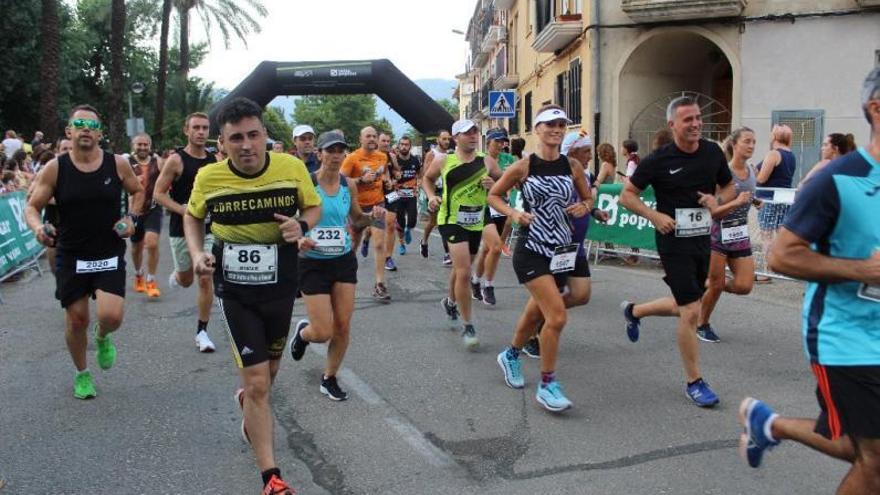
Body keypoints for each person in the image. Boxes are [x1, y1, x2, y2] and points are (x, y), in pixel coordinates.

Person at [738, 68, 880, 494]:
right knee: (874, 464)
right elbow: (781, 254)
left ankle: (770, 424)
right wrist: (863, 271)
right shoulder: (838, 178)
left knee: (850, 445)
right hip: (846, 336)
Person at [185, 97, 321, 495]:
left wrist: (301, 225)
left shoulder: (291, 168)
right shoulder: (209, 178)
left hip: (280, 285)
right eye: (236, 138)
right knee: (260, 383)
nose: (246, 145)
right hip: (236, 289)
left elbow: (312, 208)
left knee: (267, 377)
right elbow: (192, 216)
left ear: (265, 135)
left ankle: (250, 404)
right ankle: (271, 477)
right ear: (222, 143)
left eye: (253, 135)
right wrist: (197, 253)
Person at [618, 96, 737, 408]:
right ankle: (695, 381)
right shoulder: (658, 160)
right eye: (688, 120)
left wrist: (717, 202)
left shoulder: (712, 152)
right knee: (690, 312)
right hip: (673, 242)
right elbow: (627, 196)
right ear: (673, 126)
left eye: (698, 118)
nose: (696, 124)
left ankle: (635, 311)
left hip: (702, 238)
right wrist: (655, 216)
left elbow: (727, 187)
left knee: (690, 305)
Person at [24, 104, 144, 399]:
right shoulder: (56, 167)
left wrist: (131, 219)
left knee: (111, 316)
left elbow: (138, 191)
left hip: (108, 250)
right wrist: (38, 228)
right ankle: (82, 374)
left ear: (100, 133)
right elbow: (31, 207)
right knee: (77, 319)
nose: (85, 128)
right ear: (69, 131)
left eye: (91, 124)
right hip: (72, 253)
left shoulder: (117, 164)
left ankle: (102, 337)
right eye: (79, 123)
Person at [491, 107, 599, 412]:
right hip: (533, 249)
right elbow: (494, 196)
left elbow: (588, 196)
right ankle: (547, 384)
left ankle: (511, 354)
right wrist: (514, 213)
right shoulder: (524, 167)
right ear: (537, 129)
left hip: (564, 248)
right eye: (550, 124)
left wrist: (585, 206)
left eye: (561, 124)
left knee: (580, 295)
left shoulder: (573, 165)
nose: (556, 129)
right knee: (556, 316)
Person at [288, 130, 385, 401]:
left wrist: (374, 218)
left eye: (340, 151)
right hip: (312, 264)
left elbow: (356, 220)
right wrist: (299, 239)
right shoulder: (306, 184)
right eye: (330, 151)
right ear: (320, 154)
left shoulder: (347, 185)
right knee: (322, 332)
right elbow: (291, 223)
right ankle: (304, 334)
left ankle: (329, 377)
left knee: (342, 326)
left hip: (342, 261)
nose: (335, 156)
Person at [423, 119, 502, 350]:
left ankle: (449, 301)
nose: (473, 136)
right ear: (456, 137)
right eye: (467, 133)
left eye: (475, 131)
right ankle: (468, 325)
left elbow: (505, 180)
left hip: (477, 220)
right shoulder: (443, 160)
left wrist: (493, 183)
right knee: (464, 271)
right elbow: (427, 179)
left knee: (462, 268)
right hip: (451, 220)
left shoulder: (486, 161)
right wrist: (431, 197)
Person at [154, 112, 218, 352]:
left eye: (205, 128)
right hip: (181, 228)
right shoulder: (176, 160)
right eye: (196, 128)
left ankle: (202, 331)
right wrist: (182, 210)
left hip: (209, 227)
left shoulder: (213, 161)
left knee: (205, 276)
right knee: (186, 279)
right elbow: (158, 194)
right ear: (186, 131)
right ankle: (178, 275)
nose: (201, 132)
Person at [697, 128, 760, 343]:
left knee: (744, 285)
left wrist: (754, 201)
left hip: (739, 233)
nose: (751, 145)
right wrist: (737, 202)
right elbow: (713, 209)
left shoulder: (752, 171)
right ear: (734, 144)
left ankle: (707, 283)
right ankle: (702, 323)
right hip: (716, 233)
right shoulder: (723, 174)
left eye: (754, 142)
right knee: (716, 285)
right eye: (747, 141)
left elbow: (748, 195)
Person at [340, 127, 392, 301]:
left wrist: (387, 180)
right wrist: (361, 180)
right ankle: (345, 279)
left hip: (378, 204)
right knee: (353, 244)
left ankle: (380, 284)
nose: (372, 138)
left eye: (374, 136)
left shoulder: (382, 157)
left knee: (379, 244)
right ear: (360, 139)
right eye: (368, 136)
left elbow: (384, 173)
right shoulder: (352, 158)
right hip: (357, 207)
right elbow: (340, 182)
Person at [472, 128, 514, 306]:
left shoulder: (509, 159)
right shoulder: (479, 159)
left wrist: (496, 184)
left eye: (502, 141)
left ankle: (475, 281)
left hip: (502, 207)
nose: (500, 145)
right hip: (484, 208)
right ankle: (488, 285)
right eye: (496, 141)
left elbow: (510, 184)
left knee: (489, 250)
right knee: (495, 248)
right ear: (488, 142)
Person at [755, 124, 797, 282]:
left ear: (774, 137)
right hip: (785, 198)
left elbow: (762, 178)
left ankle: (767, 271)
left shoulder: (773, 154)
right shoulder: (791, 155)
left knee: (766, 235)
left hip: (769, 198)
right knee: (780, 233)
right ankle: (784, 267)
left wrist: (754, 175)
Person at [128, 133, 163, 298]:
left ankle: (151, 280)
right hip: (134, 211)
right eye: (139, 144)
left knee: (152, 242)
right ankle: (138, 274)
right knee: (136, 248)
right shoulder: (126, 163)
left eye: (145, 145)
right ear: (133, 145)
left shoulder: (158, 162)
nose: (142, 148)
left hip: (153, 208)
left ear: (150, 146)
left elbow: (170, 178)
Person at [419, 131, 453, 264]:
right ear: (438, 139)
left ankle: (447, 253)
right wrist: (430, 196)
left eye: (448, 139)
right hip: (435, 191)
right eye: (444, 139)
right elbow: (426, 175)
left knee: (445, 221)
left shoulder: (451, 154)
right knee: (433, 222)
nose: (446, 141)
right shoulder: (432, 154)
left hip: (447, 191)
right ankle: (424, 241)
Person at [389, 136, 421, 259]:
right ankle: (402, 244)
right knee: (400, 222)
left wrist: (418, 182)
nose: (403, 146)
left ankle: (409, 230)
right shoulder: (394, 161)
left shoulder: (415, 160)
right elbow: (389, 176)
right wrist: (393, 181)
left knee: (412, 220)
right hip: (397, 196)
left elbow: (419, 174)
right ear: (398, 145)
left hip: (411, 195)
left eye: (406, 144)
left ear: (410, 146)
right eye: (401, 144)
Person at [378, 132, 402, 272]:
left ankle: (388, 258)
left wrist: (394, 179)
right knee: (373, 225)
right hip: (375, 192)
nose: (386, 143)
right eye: (383, 141)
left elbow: (398, 172)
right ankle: (366, 238)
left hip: (390, 192)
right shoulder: (372, 156)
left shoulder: (392, 156)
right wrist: (381, 180)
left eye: (388, 141)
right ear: (378, 142)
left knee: (390, 224)